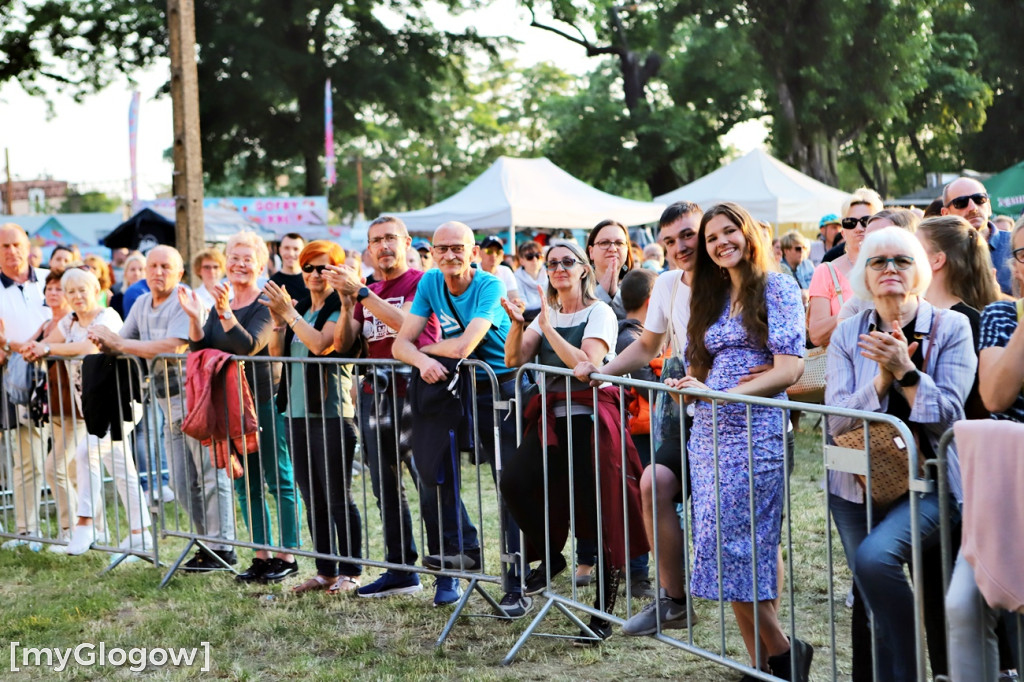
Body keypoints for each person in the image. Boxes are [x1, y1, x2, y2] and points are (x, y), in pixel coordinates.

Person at [825, 226, 974, 682]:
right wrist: (880, 383)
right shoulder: (848, 333)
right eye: (878, 261)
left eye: (901, 260)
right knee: (873, 607)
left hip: (928, 483)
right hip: (852, 482)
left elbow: (949, 414)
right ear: (865, 276)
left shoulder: (951, 327)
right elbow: (834, 422)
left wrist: (907, 372)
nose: (889, 268)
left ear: (921, 270)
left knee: (875, 560)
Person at [670, 202, 809, 680]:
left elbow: (790, 369)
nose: (720, 242)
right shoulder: (709, 295)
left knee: (734, 547)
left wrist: (723, 392)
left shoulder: (777, 286)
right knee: (722, 545)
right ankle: (763, 664)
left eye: (729, 232)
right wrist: (688, 385)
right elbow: (699, 363)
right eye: (711, 238)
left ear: (749, 235)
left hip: (756, 435)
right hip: (707, 435)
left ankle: (786, 652)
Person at [500, 240, 643, 644]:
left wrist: (546, 328)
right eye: (552, 263)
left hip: (592, 419)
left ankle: (602, 614)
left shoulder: (599, 312)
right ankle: (552, 555)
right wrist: (517, 324)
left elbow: (588, 366)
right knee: (514, 480)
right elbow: (514, 360)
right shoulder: (547, 313)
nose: (559, 268)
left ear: (583, 268)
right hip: (550, 419)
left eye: (568, 261)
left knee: (600, 512)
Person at [574, 201, 703, 636]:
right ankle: (673, 600)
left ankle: (774, 649)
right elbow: (647, 346)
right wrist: (600, 373)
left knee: (738, 528)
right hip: (690, 416)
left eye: (689, 235)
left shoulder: (743, 281)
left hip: (743, 417)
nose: (680, 246)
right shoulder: (667, 283)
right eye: (669, 241)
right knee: (652, 483)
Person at [392, 220, 528, 616]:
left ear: (473, 253)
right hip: (463, 388)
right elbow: (402, 343)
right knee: (433, 466)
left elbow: (468, 343)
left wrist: (429, 350)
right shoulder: (430, 283)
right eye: (442, 248)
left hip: (504, 391)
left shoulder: (490, 285)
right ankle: (461, 551)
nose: (449, 255)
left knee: (508, 486)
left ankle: (515, 584)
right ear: (432, 252)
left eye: (458, 248)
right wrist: (421, 359)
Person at [90, 246, 237, 571]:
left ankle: (223, 547)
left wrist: (120, 344)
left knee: (211, 477)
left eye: (165, 267)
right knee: (183, 483)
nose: (158, 272)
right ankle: (206, 545)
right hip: (165, 403)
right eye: (153, 266)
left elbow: (173, 345)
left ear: (180, 272)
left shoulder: (184, 300)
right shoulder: (141, 302)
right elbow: (121, 341)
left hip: (197, 399)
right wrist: (103, 340)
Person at [327, 215, 440, 599]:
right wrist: (346, 305)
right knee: (385, 488)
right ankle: (400, 569)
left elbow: (411, 325)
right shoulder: (368, 290)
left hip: (417, 393)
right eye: (376, 240)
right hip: (376, 396)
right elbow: (344, 346)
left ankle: (445, 571)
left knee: (430, 484)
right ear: (369, 248)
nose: (384, 246)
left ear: (406, 242)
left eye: (391, 238)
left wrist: (362, 294)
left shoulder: (422, 282)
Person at [179, 231, 301, 584]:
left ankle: (288, 555)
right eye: (234, 257)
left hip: (262, 398)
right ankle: (261, 554)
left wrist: (225, 312)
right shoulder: (222, 298)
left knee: (278, 477)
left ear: (261, 265)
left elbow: (248, 345)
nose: (240, 264)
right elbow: (201, 345)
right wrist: (194, 316)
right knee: (244, 482)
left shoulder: (267, 299)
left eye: (248, 258)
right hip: (229, 402)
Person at [22, 268, 152, 556]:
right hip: (92, 406)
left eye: (83, 290)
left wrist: (46, 348)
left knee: (85, 452)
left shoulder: (108, 317)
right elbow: (49, 341)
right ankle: (140, 534)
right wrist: (38, 346)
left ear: (95, 290)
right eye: (71, 292)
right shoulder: (69, 321)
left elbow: (87, 347)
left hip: (120, 405)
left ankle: (86, 523)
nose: (77, 296)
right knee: (120, 467)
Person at [946, 219, 1024, 680]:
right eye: (1020, 253)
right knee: (963, 604)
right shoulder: (1000, 317)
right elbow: (995, 396)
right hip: (1004, 482)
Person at [262, 240, 363, 594]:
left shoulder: (341, 306)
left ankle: (352, 571)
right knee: (311, 496)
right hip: (296, 412)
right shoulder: (301, 306)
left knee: (338, 496)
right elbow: (279, 355)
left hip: (332, 413)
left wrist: (289, 314)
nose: (315, 274)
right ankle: (326, 571)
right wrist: (278, 320)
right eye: (308, 268)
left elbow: (322, 344)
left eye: (323, 267)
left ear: (338, 270)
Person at [916, 215, 1002, 419]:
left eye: (914, 249)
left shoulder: (968, 321)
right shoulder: (918, 313)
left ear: (937, 260)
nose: (906, 256)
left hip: (953, 442)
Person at [0, 223, 51, 551]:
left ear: (28, 245)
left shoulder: (49, 281)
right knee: (25, 457)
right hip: (13, 379)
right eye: (4, 246)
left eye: (16, 244)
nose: (11, 251)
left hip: (56, 377)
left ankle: (78, 525)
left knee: (64, 457)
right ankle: (26, 530)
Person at [36, 271, 80, 550]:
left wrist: (46, 347)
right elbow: (36, 347)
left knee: (55, 468)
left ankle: (73, 530)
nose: (53, 293)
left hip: (78, 407)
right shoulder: (51, 324)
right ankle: (86, 529)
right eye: (49, 288)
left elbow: (50, 347)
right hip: (55, 405)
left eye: (58, 288)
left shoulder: (72, 324)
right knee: (72, 471)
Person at [808, 188, 883, 347]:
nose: (858, 228)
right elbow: (816, 335)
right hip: (844, 364)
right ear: (843, 233)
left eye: (866, 221)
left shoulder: (895, 267)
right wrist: (859, 310)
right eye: (850, 223)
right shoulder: (826, 271)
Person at [940, 176, 1014, 295]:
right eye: (961, 202)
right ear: (945, 214)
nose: (973, 208)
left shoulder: (1015, 244)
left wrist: (998, 297)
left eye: (979, 199)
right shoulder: (939, 253)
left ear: (989, 206)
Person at [586, 220, 633, 319]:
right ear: (591, 251)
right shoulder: (576, 287)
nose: (612, 249)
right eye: (604, 243)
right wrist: (602, 292)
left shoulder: (637, 286)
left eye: (619, 243)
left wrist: (615, 294)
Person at [512, 240, 547, 322]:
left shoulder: (550, 274)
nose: (535, 259)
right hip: (527, 320)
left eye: (538, 256)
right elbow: (523, 307)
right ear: (521, 261)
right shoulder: (515, 278)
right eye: (529, 256)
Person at [478, 236, 520, 302]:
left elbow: (514, 297)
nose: (494, 255)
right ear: (480, 253)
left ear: (502, 255)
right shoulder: (473, 270)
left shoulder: (506, 271)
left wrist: (517, 304)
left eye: (498, 252)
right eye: (489, 251)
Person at [192, 247, 231, 311]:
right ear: (199, 270)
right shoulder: (194, 296)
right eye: (207, 267)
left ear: (222, 269)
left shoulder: (231, 293)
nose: (212, 271)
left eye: (215, 267)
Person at [270, 233, 308, 300]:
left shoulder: (311, 280)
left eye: (296, 249)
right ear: (280, 250)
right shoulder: (273, 283)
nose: (291, 253)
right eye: (286, 248)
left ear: (303, 252)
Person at [110, 253, 146, 318]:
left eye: (141, 269)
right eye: (132, 269)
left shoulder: (153, 298)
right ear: (125, 273)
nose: (136, 273)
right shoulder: (116, 300)